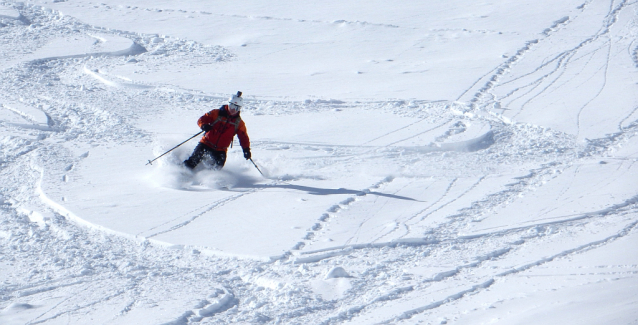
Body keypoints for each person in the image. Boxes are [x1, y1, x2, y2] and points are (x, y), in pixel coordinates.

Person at [183, 92, 251, 170]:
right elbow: (202, 119)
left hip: (221, 149)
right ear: (228, 104)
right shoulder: (216, 113)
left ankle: (206, 180)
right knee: (193, 161)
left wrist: (246, 150)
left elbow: (243, 137)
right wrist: (204, 125)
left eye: (236, 108)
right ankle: (182, 171)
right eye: (231, 106)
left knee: (217, 168)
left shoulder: (239, 123)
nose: (233, 109)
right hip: (206, 143)